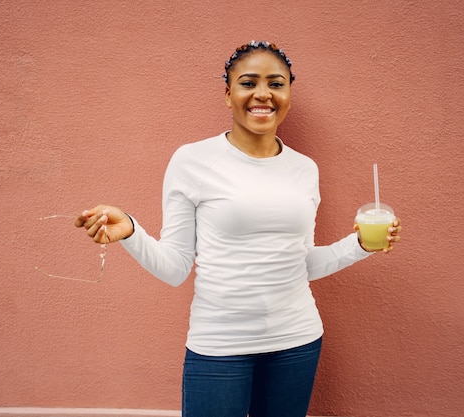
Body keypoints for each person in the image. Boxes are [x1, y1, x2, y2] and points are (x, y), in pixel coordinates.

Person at [75, 40, 402, 417]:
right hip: (219, 346)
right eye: (249, 83)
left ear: (289, 96)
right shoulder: (192, 161)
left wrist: (360, 244)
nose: (262, 94)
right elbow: (175, 267)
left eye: (276, 84)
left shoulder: (305, 169)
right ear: (228, 95)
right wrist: (131, 231)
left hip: (297, 340)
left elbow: (300, 263)